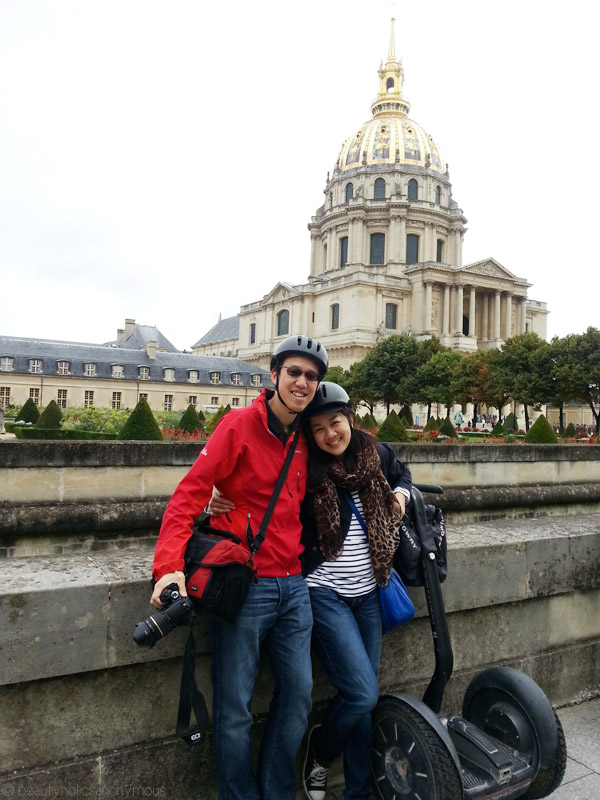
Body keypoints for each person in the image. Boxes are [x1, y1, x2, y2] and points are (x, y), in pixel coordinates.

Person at [150, 335, 328, 800]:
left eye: (311, 376)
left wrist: (403, 489)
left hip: (294, 585)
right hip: (246, 589)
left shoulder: (305, 435)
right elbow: (187, 497)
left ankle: (276, 790)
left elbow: (363, 456)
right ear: (273, 376)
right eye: (294, 372)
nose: (302, 382)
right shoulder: (238, 426)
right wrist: (169, 567)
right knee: (233, 710)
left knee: (298, 699)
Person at [298, 383, 412, 800]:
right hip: (324, 592)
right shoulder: (304, 468)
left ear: (349, 418)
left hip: (369, 591)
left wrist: (399, 493)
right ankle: (322, 752)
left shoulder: (374, 455)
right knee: (363, 693)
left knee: (364, 699)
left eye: (335, 422)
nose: (330, 434)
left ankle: (359, 792)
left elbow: (403, 474)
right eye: (318, 428)